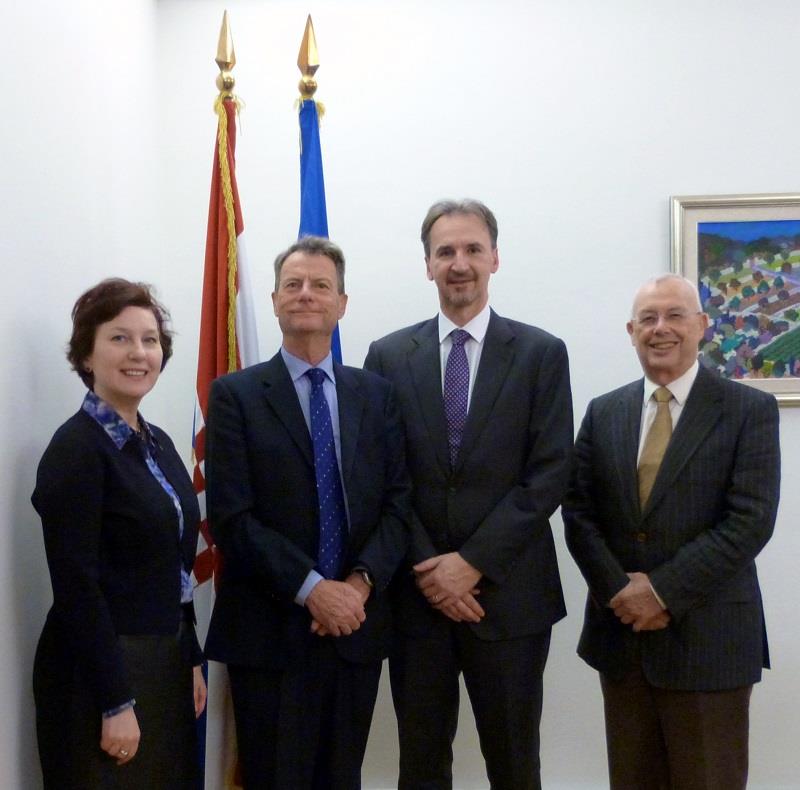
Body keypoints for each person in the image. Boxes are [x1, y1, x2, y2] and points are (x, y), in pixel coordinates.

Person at [364, 199, 573, 790]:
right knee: (421, 763)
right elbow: (380, 475)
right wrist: (434, 570)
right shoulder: (386, 356)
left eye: (472, 249)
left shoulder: (540, 354)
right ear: (427, 265)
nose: (460, 263)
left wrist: (471, 563)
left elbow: (549, 473)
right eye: (445, 251)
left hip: (510, 598)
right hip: (416, 596)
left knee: (514, 763)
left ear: (495, 258)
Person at [203, 236, 411, 789]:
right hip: (269, 634)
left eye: (321, 285)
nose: (306, 295)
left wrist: (357, 588)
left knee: (342, 779)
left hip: (355, 630)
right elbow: (232, 517)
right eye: (292, 285)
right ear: (273, 300)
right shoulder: (234, 396)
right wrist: (314, 588)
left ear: (342, 303)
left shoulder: (377, 395)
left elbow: (398, 505)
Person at [563, 274, 780, 790]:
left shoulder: (748, 410)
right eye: (648, 318)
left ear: (702, 326)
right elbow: (577, 512)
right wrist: (620, 591)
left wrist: (660, 591)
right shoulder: (604, 411)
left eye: (675, 315)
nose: (661, 329)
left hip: (711, 645)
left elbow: (749, 521)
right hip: (622, 644)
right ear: (631, 331)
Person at [32, 278, 207, 789]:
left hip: (164, 662)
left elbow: (176, 567)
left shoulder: (159, 443)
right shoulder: (76, 450)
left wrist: (190, 656)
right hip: (99, 675)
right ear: (86, 354)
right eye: (119, 338)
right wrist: (115, 701)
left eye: (150, 339)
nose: (139, 353)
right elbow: (76, 588)